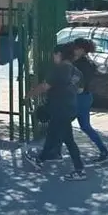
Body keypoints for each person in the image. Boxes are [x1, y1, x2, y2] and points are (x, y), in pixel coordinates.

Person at [27, 44, 86, 180]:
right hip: (70, 108)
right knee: (54, 134)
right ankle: (41, 160)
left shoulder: (59, 69)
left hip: (60, 109)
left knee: (68, 140)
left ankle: (79, 170)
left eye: (54, 55)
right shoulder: (77, 72)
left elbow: (45, 86)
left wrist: (29, 94)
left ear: (59, 54)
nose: (53, 57)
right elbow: (80, 90)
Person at [70, 38, 108, 163]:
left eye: (76, 47)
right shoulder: (82, 62)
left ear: (82, 50)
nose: (73, 49)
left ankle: (51, 152)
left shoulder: (83, 64)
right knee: (85, 126)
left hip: (81, 97)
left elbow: (80, 82)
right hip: (84, 97)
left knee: (63, 123)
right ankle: (104, 151)